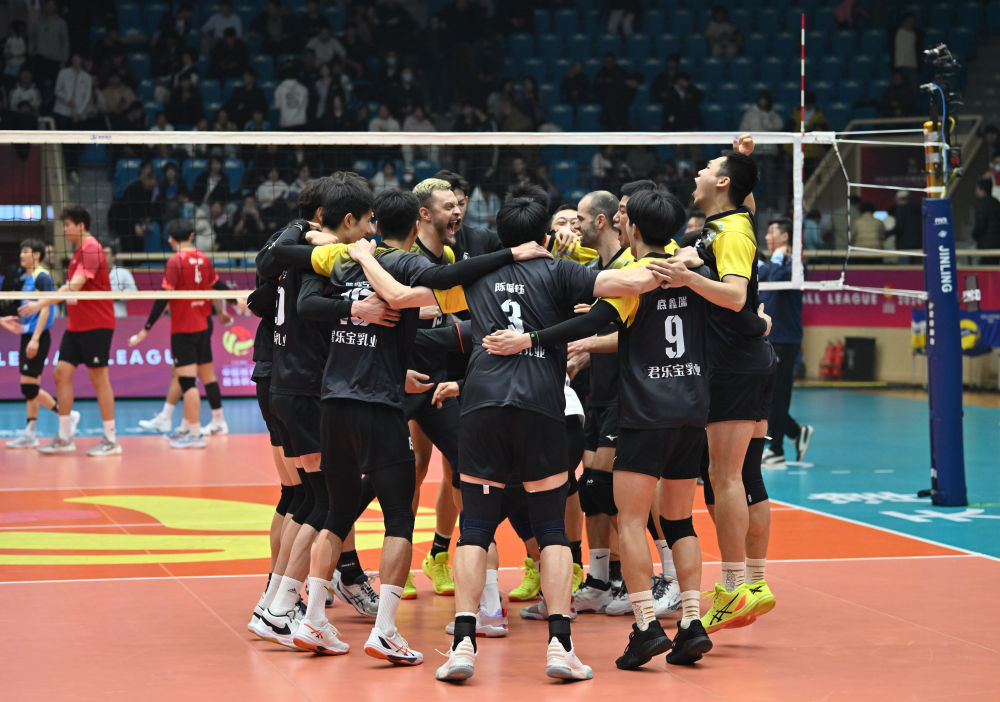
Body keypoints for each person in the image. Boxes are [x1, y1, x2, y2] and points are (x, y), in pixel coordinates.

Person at [349, 193, 664, 681]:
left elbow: (397, 296)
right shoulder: (561, 271)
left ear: (501, 238)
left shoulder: (476, 276)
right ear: (543, 237)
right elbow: (634, 281)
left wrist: (365, 257)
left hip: (482, 406)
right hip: (541, 407)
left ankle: (463, 646)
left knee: (475, 528)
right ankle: (560, 647)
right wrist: (685, 261)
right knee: (552, 530)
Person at [260, 175, 548, 663]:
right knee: (398, 517)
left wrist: (309, 241)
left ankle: (310, 618)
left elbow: (296, 287)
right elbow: (450, 279)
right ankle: (385, 631)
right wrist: (511, 255)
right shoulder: (407, 263)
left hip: (333, 402)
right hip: (378, 404)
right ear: (417, 224)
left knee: (334, 512)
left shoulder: (342, 258)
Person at [642, 138, 777, 635]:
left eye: (708, 167)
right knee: (734, 475)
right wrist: (741, 159)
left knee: (726, 477)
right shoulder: (726, 223)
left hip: (733, 364)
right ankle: (749, 584)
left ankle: (736, 587)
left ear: (721, 183)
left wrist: (687, 278)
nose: (697, 172)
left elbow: (736, 296)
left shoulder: (732, 231)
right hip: (740, 361)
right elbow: (746, 202)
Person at [19, 205, 120, 457]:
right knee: (61, 373)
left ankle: (111, 439)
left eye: (67, 225)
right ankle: (64, 437)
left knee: (99, 379)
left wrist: (39, 304)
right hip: (76, 326)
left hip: (96, 324)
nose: (64, 230)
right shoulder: (77, 253)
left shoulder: (92, 249)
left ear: (81, 225)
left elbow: (73, 287)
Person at [128, 220, 229, 448]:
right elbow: (217, 286)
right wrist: (236, 300)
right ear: (192, 236)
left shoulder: (175, 261)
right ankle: (185, 426)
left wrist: (146, 329)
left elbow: (163, 298)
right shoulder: (203, 259)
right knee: (192, 375)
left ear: (171, 239)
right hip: (203, 326)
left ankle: (194, 434)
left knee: (187, 381)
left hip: (184, 329)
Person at [2, 239, 71, 449]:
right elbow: (31, 311)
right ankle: (30, 433)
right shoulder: (28, 278)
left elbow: (46, 309)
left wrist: (35, 338)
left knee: (28, 388)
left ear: (37, 255)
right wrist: (21, 328)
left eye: (26, 251)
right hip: (29, 334)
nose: (21, 255)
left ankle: (66, 414)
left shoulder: (42, 276)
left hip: (37, 337)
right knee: (32, 386)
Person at [758, 219, 813, 469]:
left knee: (777, 396)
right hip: (768, 337)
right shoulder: (773, 264)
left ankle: (776, 450)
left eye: (772, 232)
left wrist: (779, 257)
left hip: (785, 338)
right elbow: (764, 278)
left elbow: (778, 277)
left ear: (785, 236)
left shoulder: (795, 264)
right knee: (766, 396)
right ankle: (795, 431)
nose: (767, 236)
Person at [103, 244, 137, 318]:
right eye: (101, 254)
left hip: (118, 312)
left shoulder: (123, 272)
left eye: (106, 253)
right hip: (100, 312)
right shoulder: (93, 273)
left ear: (113, 257)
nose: (103, 256)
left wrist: (117, 296)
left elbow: (133, 290)